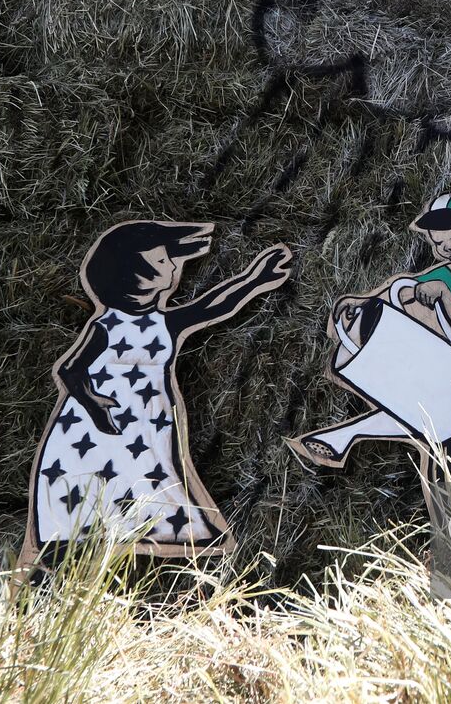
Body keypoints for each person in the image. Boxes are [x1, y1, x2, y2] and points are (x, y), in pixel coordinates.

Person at [21, 221, 291, 567]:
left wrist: (253, 280)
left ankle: (147, 552)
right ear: (135, 276)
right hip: (93, 426)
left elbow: (212, 306)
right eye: (163, 261)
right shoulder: (105, 328)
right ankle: (61, 555)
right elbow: (69, 371)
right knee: (87, 480)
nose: (174, 266)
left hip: (146, 423)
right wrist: (92, 402)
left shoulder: (163, 323)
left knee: (147, 478)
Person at [287, 190, 451, 511]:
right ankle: (347, 436)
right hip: (439, 382)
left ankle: (347, 435)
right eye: (439, 242)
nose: (446, 247)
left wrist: (446, 299)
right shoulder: (436, 275)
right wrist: (359, 306)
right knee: (446, 484)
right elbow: (391, 300)